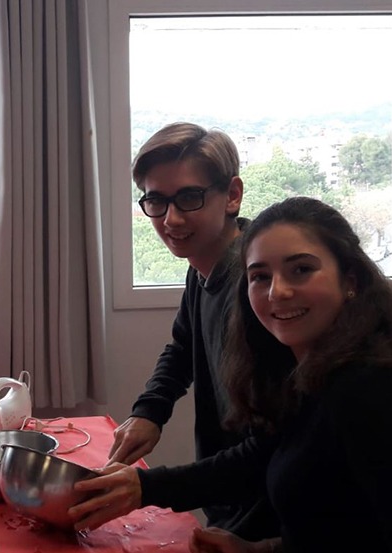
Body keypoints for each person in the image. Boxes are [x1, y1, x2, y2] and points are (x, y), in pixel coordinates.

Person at [71, 197, 392, 553]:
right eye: (260, 276)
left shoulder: (369, 390)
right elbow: (275, 469)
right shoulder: (308, 373)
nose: (278, 291)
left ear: (349, 280)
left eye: (301, 270)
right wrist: (255, 549)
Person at [106, 122, 278, 538]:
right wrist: (149, 412)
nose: (171, 218)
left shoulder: (258, 290)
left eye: (188, 197)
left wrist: (148, 487)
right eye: (156, 201)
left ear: (232, 195)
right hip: (230, 501)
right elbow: (183, 347)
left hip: (270, 517)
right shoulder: (202, 267)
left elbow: (271, 446)